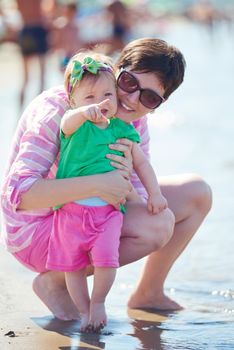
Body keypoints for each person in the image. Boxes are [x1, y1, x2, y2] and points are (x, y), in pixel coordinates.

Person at [0, 38, 212, 324]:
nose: (132, 99)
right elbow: (19, 195)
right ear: (115, 69)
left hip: (90, 212)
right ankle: (57, 281)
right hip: (35, 231)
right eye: (128, 82)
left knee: (197, 193)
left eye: (149, 98)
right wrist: (98, 183)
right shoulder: (59, 109)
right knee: (157, 225)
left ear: (158, 105)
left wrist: (123, 178)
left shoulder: (133, 121)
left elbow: (133, 199)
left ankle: (148, 292)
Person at [48, 51, 168, 332]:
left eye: (107, 95)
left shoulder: (122, 129)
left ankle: (99, 302)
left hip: (107, 214)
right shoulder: (73, 125)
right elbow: (67, 123)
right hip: (70, 212)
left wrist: (155, 194)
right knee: (73, 268)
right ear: (73, 101)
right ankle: (83, 309)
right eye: (89, 98)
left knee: (106, 260)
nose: (100, 103)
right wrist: (83, 113)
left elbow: (142, 165)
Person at [16, 0, 50, 109]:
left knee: (26, 78)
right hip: (38, 28)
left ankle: (19, 112)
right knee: (42, 75)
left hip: (26, 29)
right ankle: (40, 108)